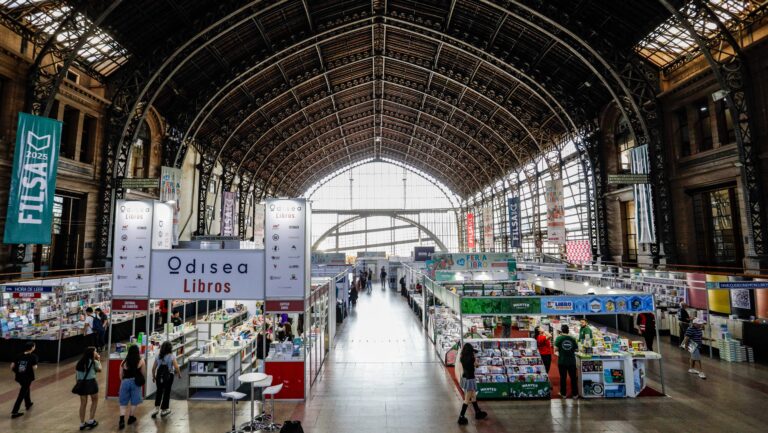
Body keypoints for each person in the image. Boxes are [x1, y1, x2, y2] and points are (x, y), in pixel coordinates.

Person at [457, 343, 487, 425]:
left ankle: (477, 412)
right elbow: (477, 365)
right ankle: (461, 416)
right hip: (470, 379)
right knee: (467, 399)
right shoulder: (472, 358)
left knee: (473, 396)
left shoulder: (462, 357)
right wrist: (476, 358)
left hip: (465, 377)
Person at [151, 341, 182, 418]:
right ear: (170, 348)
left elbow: (153, 368)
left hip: (159, 375)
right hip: (168, 376)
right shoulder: (171, 356)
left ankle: (156, 408)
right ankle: (164, 409)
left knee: (159, 391)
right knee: (167, 392)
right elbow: (176, 366)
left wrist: (154, 376)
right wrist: (179, 374)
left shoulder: (158, 356)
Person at [119, 345, 146, 429]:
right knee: (134, 400)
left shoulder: (123, 362)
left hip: (125, 382)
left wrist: (124, 381)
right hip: (135, 382)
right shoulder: (141, 361)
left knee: (123, 401)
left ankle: (122, 420)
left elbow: (120, 375)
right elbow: (143, 373)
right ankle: (131, 417)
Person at [75, 346, 102, 430]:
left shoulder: (79, 362)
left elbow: (77, 376)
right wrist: (98, 360)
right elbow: (100, 369)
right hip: (91, 383)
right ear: (92, 353)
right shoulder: (94, 362)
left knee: (83, 404)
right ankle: (91, 420)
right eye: (95, 351)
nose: (97, 353)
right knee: (94, 401)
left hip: (81, 384)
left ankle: (82, 423)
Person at [10, 341, 38, 418]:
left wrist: (17, 372)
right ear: (32, 347)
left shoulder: (18, 355)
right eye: (34, 346)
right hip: (27, 377)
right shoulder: (33, 356)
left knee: (26, 388)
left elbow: (12, 366)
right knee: (22, 393)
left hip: (19, 377)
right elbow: (34, 368)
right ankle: (15, 412)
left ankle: (28, 403)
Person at [555, 324, 579, 399]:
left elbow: (555, 349)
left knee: (563, 378)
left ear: (561, 330)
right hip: (571, 361)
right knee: (573, 378)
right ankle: (575, 394)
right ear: (568, 330)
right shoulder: (572, 338)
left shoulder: (559, 338)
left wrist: (561, 349)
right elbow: (577, 349)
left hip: (562, 361)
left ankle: (563, 394)